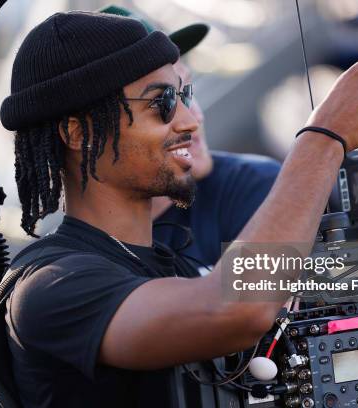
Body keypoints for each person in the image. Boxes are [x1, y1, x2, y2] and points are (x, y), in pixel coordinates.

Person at [0, 10, 358, 407]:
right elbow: (236, 308)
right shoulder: (49, 288)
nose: (188, 120)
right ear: (78, 133)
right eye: (162, 102)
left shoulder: (172, 267)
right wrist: (324, 137)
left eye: (186, 95)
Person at [100, 5, 282, 269]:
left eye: (187, 92)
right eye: (163, 101)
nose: (194, 118)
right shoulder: (70, 262)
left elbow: (334, 295)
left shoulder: (252, 184)